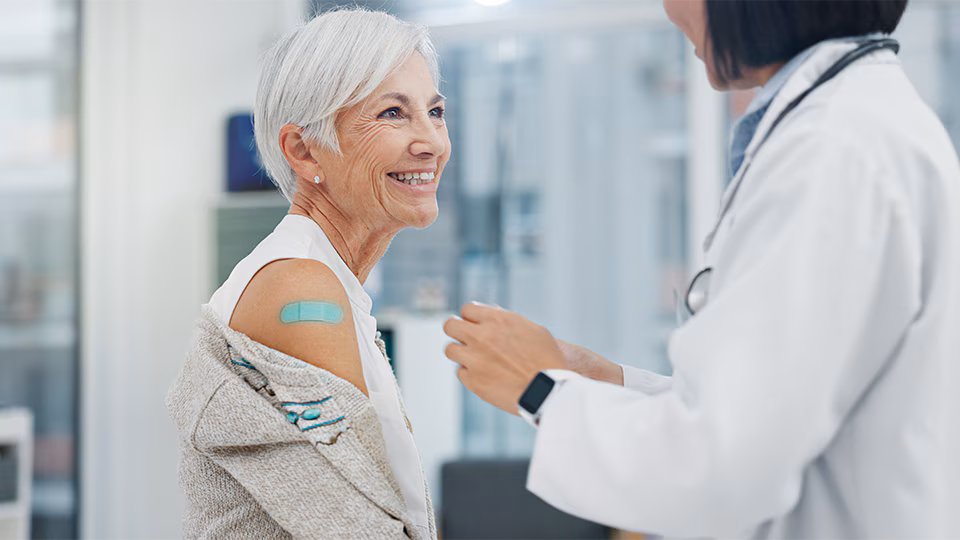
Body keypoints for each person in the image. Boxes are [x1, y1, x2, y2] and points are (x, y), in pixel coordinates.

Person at [443, 0, 960, 539]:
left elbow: (723, 466)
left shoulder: (832, 152)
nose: (669, 10)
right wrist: (607, 381)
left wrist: (540, 392)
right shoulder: (857, 126)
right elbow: (769, 411)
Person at [167, 9, 449, 539]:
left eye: (435, 111)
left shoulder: (332, 285)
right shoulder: (300, 290)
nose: (430, 140)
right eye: (393, 113)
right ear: (302, 149)